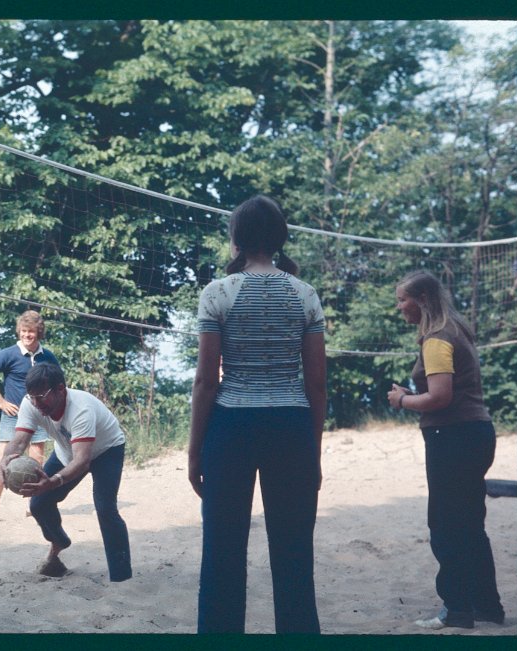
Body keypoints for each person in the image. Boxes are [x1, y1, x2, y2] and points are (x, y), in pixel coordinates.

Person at [187, 194, 326, 633]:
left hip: (232, 429)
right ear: (280, 238)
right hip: (292, 427)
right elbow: (317, 384)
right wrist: (314, 450)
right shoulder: (304, 294)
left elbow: (207, 382)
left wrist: (194, 453)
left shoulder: (218, 292)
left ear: (237, 238)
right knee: (294, 555)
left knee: (223, 553)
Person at [387, 270, 505, 630]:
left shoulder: (437, 339)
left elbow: (440, 397)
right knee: (470, 525)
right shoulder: (459, 330)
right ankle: (487, 607)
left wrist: (402, 400)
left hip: (453, 438)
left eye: (402, 299)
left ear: (422, 300)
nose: (399, 307)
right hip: (475, 434)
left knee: (445, 526)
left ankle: (456, 610)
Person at [1, 363, 132, 582]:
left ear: (60, 389)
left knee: (105, 508)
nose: (36, 403)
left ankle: (121, 578)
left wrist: (53, 481)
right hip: (68, 451)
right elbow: (20, 440)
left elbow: (82, 461)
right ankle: (59, 542)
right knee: (39, 504)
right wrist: (5, 460)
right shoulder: (31, 403)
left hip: (107, 450)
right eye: (32, 397)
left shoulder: (81, 409)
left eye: (41, 396)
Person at [0, 310, 60, 525]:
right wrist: (0, 401)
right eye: (24, 331)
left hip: (40, 415)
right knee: (3, 460)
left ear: (38, 333)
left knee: (36, 462)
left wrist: (53, 409)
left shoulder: (48, 356)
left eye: (31, 332)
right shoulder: (8, 354)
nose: (27, 335)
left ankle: (31, 508)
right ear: (19, 331)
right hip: (13, 416)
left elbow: (59, 384)